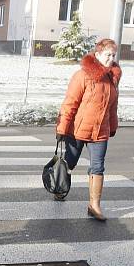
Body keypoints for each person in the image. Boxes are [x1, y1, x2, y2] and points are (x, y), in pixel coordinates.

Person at [55, 38, 121, 221]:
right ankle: (60, 188)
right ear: (97, 54)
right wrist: (62, 127)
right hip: (78, 130)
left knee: (98, 167)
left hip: (100, 132)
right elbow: (70, 103)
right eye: (108, 55)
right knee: (70, 161)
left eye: (113, 55)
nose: (111, 59)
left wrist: (113, 126)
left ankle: (94, 205)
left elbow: (112, 107)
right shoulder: (82, 75)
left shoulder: (112, 78)